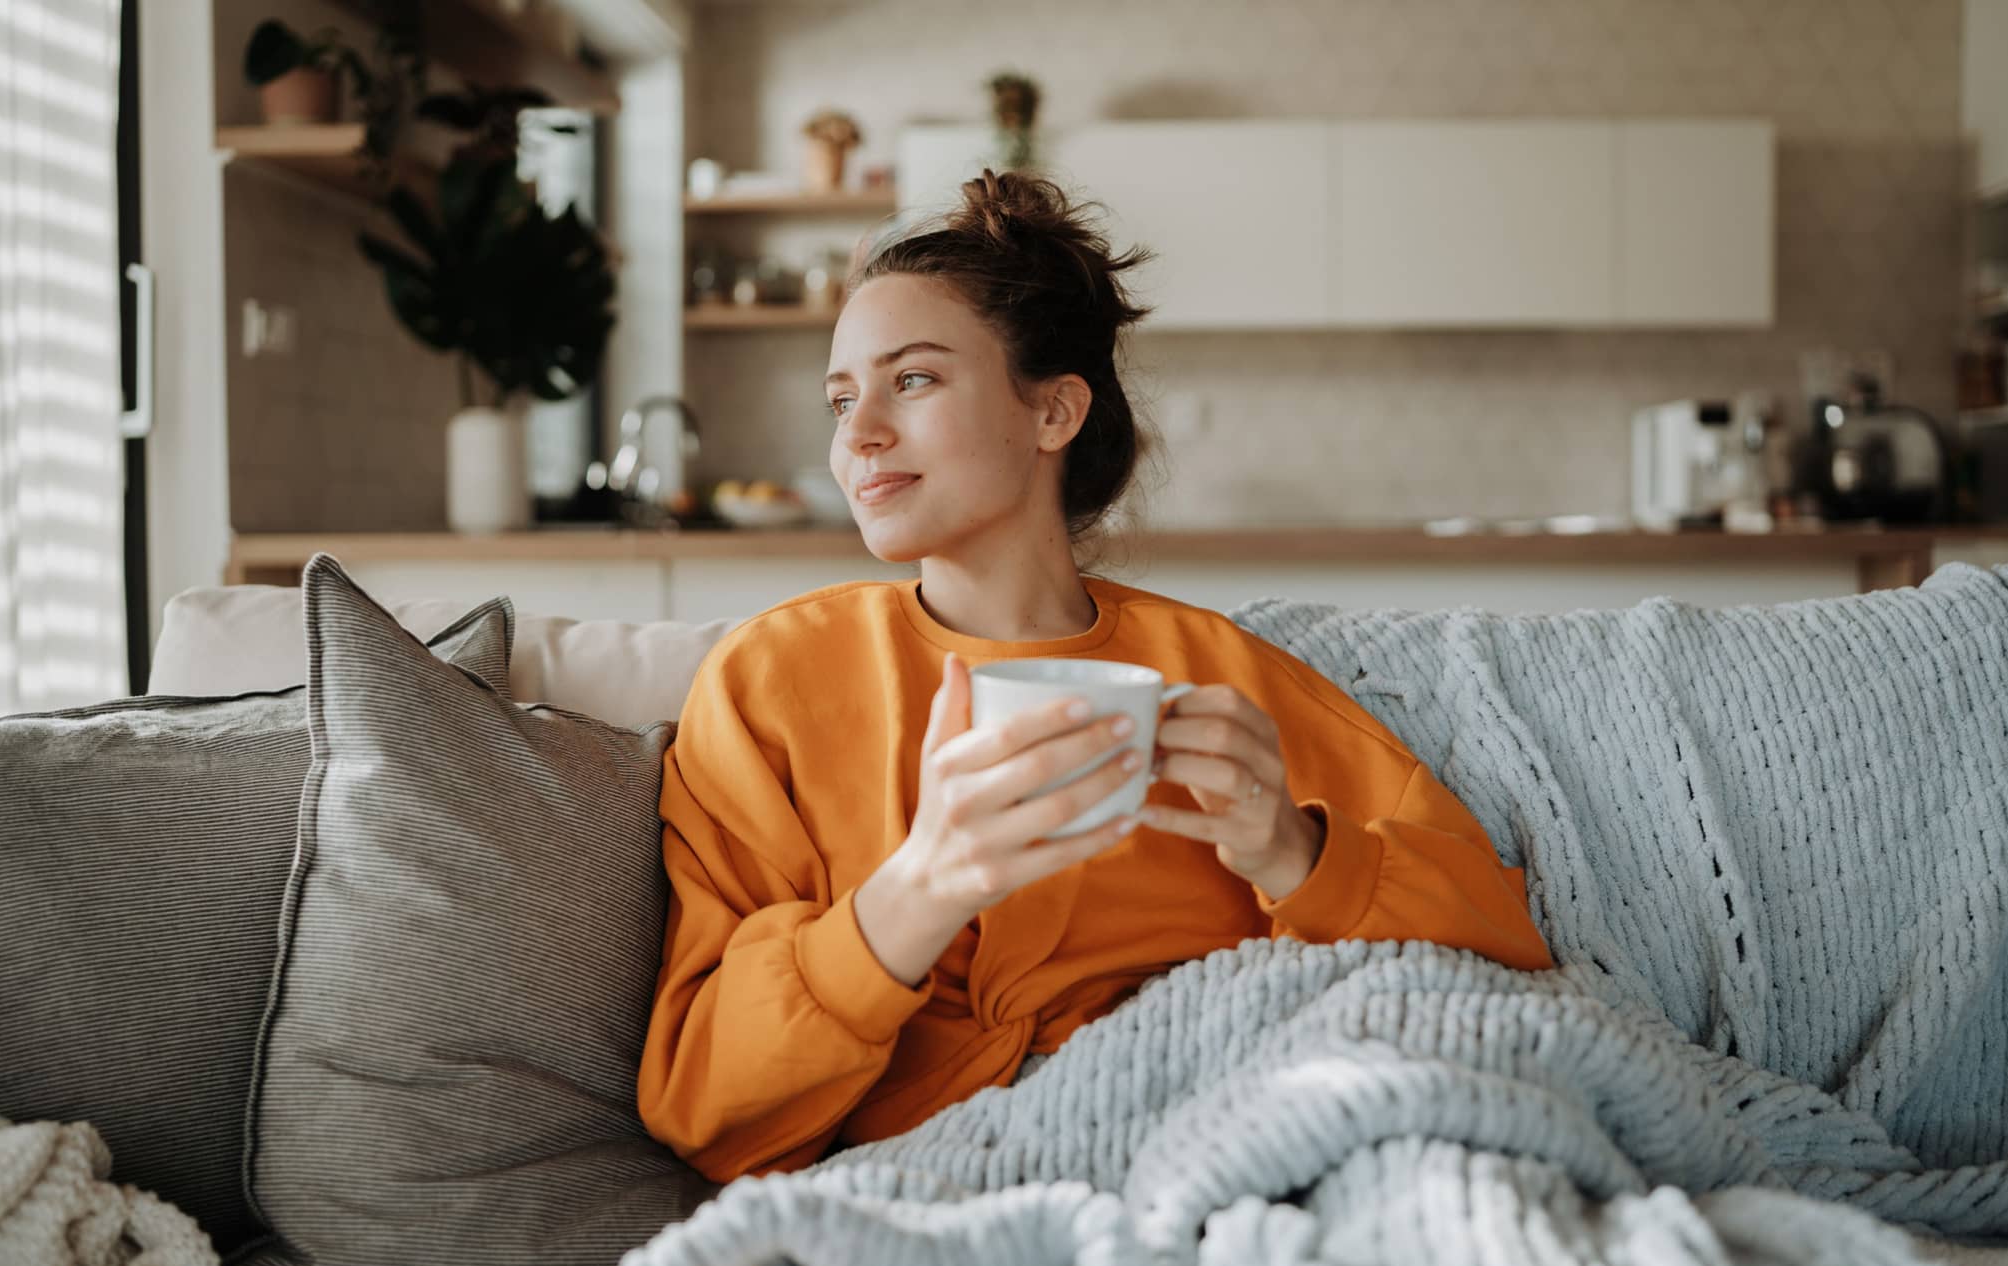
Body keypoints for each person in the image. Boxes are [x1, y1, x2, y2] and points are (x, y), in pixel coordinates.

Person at [638, 169, 1553, 1184]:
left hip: (1240, 1143)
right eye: (842, 397)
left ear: (1052, 413)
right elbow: (704, 1108)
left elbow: (1500, 949)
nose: (856, 435)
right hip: (944, 1188)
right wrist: (920, 887)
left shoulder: (1214, 675)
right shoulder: (771, 681)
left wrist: (1295, 852)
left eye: (913, 380)